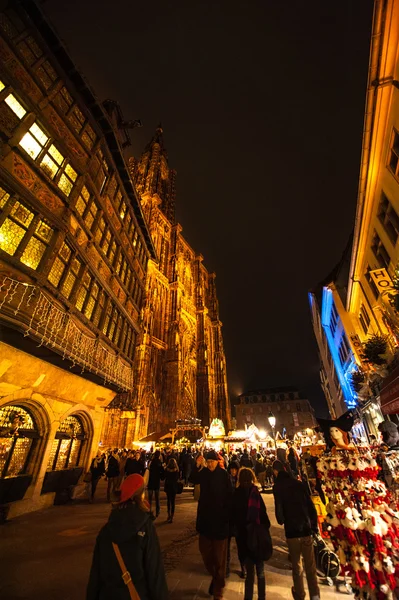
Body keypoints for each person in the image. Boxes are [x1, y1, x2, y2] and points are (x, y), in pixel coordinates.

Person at [86, 474, 168, 600]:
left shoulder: (106, 530)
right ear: (141, 495)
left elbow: (95, 574)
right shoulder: (145, 528)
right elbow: (154, 572)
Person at [273, 460, 320, 600]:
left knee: (297, 565)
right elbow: (311, 507)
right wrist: (314, 526)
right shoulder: (299, 484)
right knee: (310, 566)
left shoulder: (278, 487)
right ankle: (315, 595)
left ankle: (300, 594)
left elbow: (280, 515)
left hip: (292, 531)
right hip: (306, 529)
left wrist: (282, 519)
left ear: (276, 472)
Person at [191, 449, 232, 600]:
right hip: (205, 520)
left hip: (220, 521)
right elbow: (192, 478)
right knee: (205, 553)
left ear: (217, 461)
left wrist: (228, 516)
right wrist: (196, 465)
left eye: (211, 462)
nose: (209, 464)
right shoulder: (204, 473)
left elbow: (230, 496)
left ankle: (218, 590)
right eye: (207, 462)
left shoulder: (224, 475)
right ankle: (216, 579)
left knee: (219, 558)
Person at [232, 467, 270, 600]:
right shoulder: (256, 493)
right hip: (257, 537)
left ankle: (248, 597)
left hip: (244, 538)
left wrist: (237, 532)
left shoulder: (236, 494)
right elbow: (264, 516)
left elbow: (234, 517)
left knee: (250, 574)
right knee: (260, 572)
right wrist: (263, 529)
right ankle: (262, 597)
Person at [226, 460, 241, 578]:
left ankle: (243, 567)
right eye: (231, 469)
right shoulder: (227, 480)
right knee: (227, 543)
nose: (233, 471)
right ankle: (226, 566)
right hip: (229, 515)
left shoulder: (241, 482)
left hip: (238, 516)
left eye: (235, 469)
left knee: (240, 543)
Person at [147, 450, 164, 519]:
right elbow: (162, 473)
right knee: (157, 498)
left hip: (150, 482)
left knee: (150, 499)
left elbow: (147, 469)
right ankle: (157, 511)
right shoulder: (159, 463)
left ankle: (149, 511)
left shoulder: (150, 462)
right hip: (156, 482)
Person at [164, 457, 179, 522]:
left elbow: (164, 477)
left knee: (168, 501)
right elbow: (177, 479)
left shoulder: (166, 470)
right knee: (173, 502)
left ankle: (168, 514)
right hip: (173, 487)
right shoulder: (176, 470)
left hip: (168, 486)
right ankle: (172, 516)